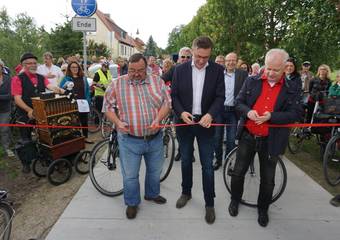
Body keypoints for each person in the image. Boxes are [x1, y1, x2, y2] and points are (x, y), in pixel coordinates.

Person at [228, 49, 302, 227]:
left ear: (285, 68)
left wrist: (272, 116)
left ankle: (263, 209)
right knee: (238, 172)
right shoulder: (252, 81)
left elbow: (296, 113)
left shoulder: (291, 88)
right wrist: (248, 112)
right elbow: (237, 103)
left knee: (268, 179)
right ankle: (235, 200)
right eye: (268, 68)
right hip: (248, 136)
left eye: (276, 70)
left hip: (272, 140)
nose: (270, 73)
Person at [103, 53, 171, 219]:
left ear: (146, 67)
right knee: (131, 176)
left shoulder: (157, 81)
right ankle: (132, 203)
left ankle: (151, 194)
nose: (135, 74)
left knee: (155, 172)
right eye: (132, 70)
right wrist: (118, 122)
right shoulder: (117, 84)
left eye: (140, 70)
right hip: (129, 140)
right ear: (128, 67)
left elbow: (167, 103)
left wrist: (158, 118)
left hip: (154, 138)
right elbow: (107, 108)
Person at [171, 36, 225, 224]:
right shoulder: (179, 70)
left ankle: (209, 203)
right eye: (198, 56)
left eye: (206, 57)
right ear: (192, 51)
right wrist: (181, 112)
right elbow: (174, 95)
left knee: (207, 166)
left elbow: (220, 97)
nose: (202, 60)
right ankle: (186, 192)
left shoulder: (218, 70)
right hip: (185, 123)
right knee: (186, 160)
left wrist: (210, 114)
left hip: (206, 123)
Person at [11, 53, 65, 173]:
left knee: (45, 135)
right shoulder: (17, 79)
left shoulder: (41, 77)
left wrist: (62, 90)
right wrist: (29, 110)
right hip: (24, 113)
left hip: (40, 112)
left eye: (34, 63)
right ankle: (26, 163)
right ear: (23, 65)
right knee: (26, 140)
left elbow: (50, 86)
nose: (33, 65)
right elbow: (17, 99)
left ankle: (46, 157)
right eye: (29, 63)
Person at [213, 52, 248, 170]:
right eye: (228, 60)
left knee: (231, 140)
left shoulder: (243, 75)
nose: (231, 62)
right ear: (225, 62)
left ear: (237, 61)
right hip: (219, 111)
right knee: (217, 138)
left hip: (233, 111)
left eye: (233, 60)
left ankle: (228, 163)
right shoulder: (218, 74)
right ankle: (217, 160)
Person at [59, 61, 92, 144]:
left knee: (84, 121)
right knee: (74, 121)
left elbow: (87, 90)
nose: (75, 69)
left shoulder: (83, 78)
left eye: (76, 67)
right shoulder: (66, 78)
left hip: (83, 102)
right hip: (72, 103)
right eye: (73, 67)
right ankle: (76, 139)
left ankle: (85, 137)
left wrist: (88, 100)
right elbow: (61, 90)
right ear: (69, 69)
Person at [0, 64, 15, 157]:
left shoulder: (8, 79)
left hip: (5, 109)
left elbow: (11, 95)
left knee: (4, 129)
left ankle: (7, 148)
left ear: (2, 68)